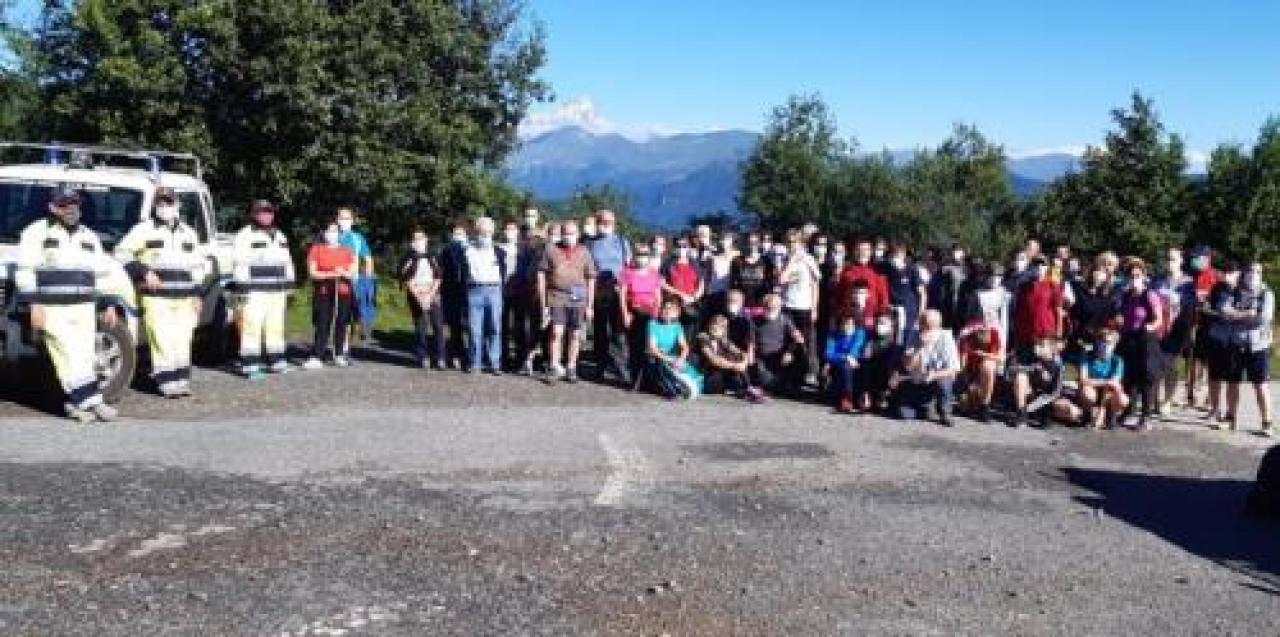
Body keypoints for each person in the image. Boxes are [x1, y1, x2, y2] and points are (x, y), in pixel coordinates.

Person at [16, 184, 120, 422]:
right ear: (52, 207)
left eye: (74, 204)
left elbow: (102, 274)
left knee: (84, 355)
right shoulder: (35, 233)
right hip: (52, 308)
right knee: (67, 354)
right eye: (64, 205)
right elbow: (25, 271)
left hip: (84, 307)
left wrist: (108, 304)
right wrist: (34, 304)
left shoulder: (89, 237)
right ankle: (80, 403)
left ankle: (89, 403)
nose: (71, 209)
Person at [115, 186, 207, 398]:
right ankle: (166, 383)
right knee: (162, 338)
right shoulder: (144, 230)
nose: (164, 207)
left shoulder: (189, 233)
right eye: (160, 203)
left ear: (178, 205)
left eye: (168, 202)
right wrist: (143, 272)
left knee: (183, 339)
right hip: (157, 298)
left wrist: (197, 294)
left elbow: (198, 267)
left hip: (185, 298)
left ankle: (182, 380)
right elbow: (121, 252)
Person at [231, 200, 295, 380]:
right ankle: (250, 365)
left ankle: (277, 361)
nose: (266, 215)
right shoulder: (245, 235)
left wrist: (289, 287)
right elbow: (239, 263)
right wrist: (242, 289)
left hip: (277, 291)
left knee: (275, 326)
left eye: (269, 212)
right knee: (252, 327)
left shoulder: (280, 235)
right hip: (254, 291)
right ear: (254, 214)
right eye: (262, 212)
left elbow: (287, 262)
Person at [1216, 260, 1274, 436]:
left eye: (1257, 271)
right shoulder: (1235, 291)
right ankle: (1230, 418)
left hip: (1257, 346)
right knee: (1232, 384)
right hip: (1236, 344)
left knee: (1260, 385)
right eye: (1250, 271)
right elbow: (1223, 310)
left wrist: (1237, 316)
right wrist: (1246, 314)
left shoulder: (1267, 294)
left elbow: (1264, 318)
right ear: (1244, 272)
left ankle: (1267, 422)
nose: (1253, 275)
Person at [537, 219, 596, 383]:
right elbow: (541, 274)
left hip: (578, 297)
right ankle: (554, 366)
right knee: (556, 332)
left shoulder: (584, 251)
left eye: (571, 233)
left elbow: (591, 278)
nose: (568, 236)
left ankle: (571, 367)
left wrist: (590, 305)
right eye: (565, 233)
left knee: (575, 334)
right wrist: (544, 302)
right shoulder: (551, 249)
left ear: (577, 234)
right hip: (557, 296)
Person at [1115, 259, 1166, 430]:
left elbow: (1159, 319)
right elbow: (1121, 315)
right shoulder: (1126, 296)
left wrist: (1150, 326)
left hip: (1146, 340)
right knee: (1130, 377)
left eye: (1137, 275)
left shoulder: (1149, 295)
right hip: (1129, 339)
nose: (1134, 278)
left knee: (1146, 379)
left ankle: (1146, 416)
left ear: (1144, 277)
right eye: (1131, 276)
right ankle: (1129, 411)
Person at [302, 222, 356, 369]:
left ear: (339, 234)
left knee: (342, 322)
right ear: (325, 233)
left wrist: (343, 272)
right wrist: (330, 274)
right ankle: (317, 355)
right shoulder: (316, 249)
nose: (332, 234)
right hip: (325, 291)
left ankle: (339, 354)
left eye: (335, 231)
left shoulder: (347, 251)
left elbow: (352, 272)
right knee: (323, 323)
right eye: (329, 231)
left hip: (343, 291)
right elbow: (312, 273)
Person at [586, 210, 632, 384]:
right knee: (599, 332)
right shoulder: (590, 243)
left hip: (618, 293)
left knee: (619, 333)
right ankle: (599, 368)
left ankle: (622, 370)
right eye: (601, 221)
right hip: (598, 293)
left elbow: (628, 266)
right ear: (596, 223)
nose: (605, 224)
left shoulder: (622, 242)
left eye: (609, 222)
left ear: (614, 223)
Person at [892, 310, 961, 426]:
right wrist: (919, 346)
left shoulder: (946, 337)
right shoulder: (914, 335)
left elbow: (954, 368)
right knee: (903, 414)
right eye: (923, 324)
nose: (925, 328)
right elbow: (908, 366)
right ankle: (927, 409)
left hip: (936, 382)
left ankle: (945, 412)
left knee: (944, 381)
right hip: (916, 382)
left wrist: (934, 375)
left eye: (929, 325)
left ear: (938, 326)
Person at [463, 216, 508, 374]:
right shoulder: (467, 250)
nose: (485, 235)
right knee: (475, 330)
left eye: (488, 232)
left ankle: (495, 363)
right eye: (482, 232)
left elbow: (504, 273)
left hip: (494, 291)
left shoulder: (500, 251)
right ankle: (475, 363)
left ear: (493, 232)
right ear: (476, 232)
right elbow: (461, 272)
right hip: (474, 291)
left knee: (495, 328)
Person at [398, 228, 445, 370]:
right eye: (416, 239)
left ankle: (440, 357)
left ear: (426, 240)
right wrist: (419, 297)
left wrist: (430, 295)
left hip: (433, 293)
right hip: (415, 293)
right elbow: (406, 279)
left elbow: (439, 276)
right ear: (412, 243)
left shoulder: (434, 256)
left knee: (438, 326)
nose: (419, 242)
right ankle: (422, 356)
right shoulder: (407, 258)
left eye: (421, 239)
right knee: (421, 327)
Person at [779, 229, 821, 381]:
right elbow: (782, 280)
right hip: (788, 305)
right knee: (790, 340)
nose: (792, 245)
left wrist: (814, 308)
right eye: (789, 242)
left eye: (795, 242)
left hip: (804, 306)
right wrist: (791, 262)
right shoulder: (785, 260)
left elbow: (815, 285)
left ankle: (808, 372)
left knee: (805, 341)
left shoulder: (809, 259)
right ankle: (791, 375)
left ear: (801, 242)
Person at [1203, 261, 1240, 423]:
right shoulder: (1217, 287)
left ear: (1238, 273)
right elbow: (1207, 307)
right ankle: (1214, 409)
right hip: (1216, 336)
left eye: (1231, 272)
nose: (1227, 275)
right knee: (1214, 376)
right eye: (1225, 272)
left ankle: (1231, 413)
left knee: (1232, 378)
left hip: (1234, 339)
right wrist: (1215, 312)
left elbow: (1245, 313)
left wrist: (1233, 314)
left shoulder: (1242, 290)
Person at [620, 244, 664, 382]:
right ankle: (635, 379)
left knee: (649, 347)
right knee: (635, 347)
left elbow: (658, 295)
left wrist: (657, 313)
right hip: (634, 312)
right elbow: (622, 295)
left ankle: (647, 379)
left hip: (650, 312)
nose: (642, 258)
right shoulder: (627, 272)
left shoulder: (654, 273)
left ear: (649, 257)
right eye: (639, 255)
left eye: (645, 255)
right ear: (634, 256)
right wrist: (625, 314)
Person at [697, 314, 764, 402]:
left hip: (722, 375)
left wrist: (743, 362)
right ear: (709, 326)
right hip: (708, 377)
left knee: (736, 357)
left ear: (723, 330)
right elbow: (715, 360)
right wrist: (735, 366)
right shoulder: (703, 338)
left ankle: (747, 388)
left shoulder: (723, 340)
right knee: (731, 361)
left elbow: (740, 352)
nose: (716, 330)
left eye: (720, 328)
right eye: (714, 327)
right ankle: (746, 389)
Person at [751, 292, 807, 397]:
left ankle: (793, 382)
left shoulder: (784, 319)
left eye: (774, 307)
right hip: (762, 358)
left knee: (801, 351)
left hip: (780, 357)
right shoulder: (755, 320)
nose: (770, 309)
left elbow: (799, 339)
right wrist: (751, 356)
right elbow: (751, 342)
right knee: (768, 383)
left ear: (779, 307)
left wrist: (789, 352)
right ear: (763, 306)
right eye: (767, 307)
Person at [645, 298, 702, 400]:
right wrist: (669, 359)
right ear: (660, 311)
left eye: (671, 310)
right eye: (665, 309)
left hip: (671, 355)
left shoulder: (677, 326)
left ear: (676, 313)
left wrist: (681, 358)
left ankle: (687, 385)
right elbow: (652, 348)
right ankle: (673, 391)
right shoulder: (652, 324)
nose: (667, 312)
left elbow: (684, 346)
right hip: (655, 354)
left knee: (691, 360)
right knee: (663, 365)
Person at [1009, 336, 1070, 428]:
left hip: (1046, 399)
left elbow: (1056, 392)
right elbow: (1011, 369)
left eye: (1041, 345)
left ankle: (1043, 416)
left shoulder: (1058, 366)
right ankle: (1022, 415)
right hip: (1030, 395)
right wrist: (1034, 369)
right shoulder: (1031, 358)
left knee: (1071, 411)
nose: (1037, 347)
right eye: (1037, 344)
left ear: (1052, 349)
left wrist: (1036, 405)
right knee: (1020, 377)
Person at [1185, 246, 1220, 409]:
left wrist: (1205, 302)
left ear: (1207, 258)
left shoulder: (1215, 276)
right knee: (1192, 360)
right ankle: (1191, 395)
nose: (1194, 261)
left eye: (1197, 258)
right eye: (1193, 258)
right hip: (1194, 323)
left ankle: (1208, 397)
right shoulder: (1193, 276)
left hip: (1211, 324)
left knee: (1208, 361)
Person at [335, 207, 375, 345]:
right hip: (333, 280)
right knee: (338, 315)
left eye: (347, 218)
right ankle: (340, 346)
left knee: (352, 315)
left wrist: (368, 280)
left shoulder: (358, 238)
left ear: (352, 221)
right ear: (337, 220)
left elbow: (368, 258)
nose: (344, 221)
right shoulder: (331, 235)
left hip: (354, 280)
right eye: (341, 218)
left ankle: (346, 347)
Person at [1077, 330, 1129, 430]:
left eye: (1109, 343)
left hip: (1107, 393)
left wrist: (1101, 411)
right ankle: (1087, 416)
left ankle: (1110, 415)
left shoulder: (1117, 360)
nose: (1105, 345)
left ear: (1114, 345)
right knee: (1087, 393)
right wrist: (1105, 382)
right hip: (1092, 390)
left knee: (1123, 399)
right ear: (1097, 343)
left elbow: (1113, 384)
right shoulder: (1086, 356)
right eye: (1102, 342)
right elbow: (1083, 379)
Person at [835, 239, 890, 331]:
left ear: (870, 252)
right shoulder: (846, 272)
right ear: (854, 252)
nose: (862, 253)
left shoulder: (877, 272)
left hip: (870, 319)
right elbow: (839, 296)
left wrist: (882, 315)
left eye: (866, 250)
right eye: (859, 250)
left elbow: (883, 297)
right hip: (849, 321)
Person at [437, 222, 471, 370]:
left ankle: (472, 355)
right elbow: (440, 270)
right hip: (451, 291)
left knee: (471, 325)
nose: (458, 236)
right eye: (455, 233)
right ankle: (457, 354)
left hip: (469, 291)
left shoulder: (471, 249)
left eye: (461, 233)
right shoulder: (445, 250)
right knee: (455, 325)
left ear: (466, 235)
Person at [956, 317, 1003, 423]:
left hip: (984, 370)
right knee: (965, 404)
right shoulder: (966, 338)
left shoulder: (994, 333)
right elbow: (962, 368)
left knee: (989, 365)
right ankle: (972, 403)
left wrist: (983, 354)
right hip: (970, 372)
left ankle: (985, 406)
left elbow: (1000, 359)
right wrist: (968, 385)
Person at [882, 243, 927, 346]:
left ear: (904, 255)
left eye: (897, 255)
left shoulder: (912, 270)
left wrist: (920, 313)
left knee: (907, 342)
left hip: (909, 312)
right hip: (892, 311)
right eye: (892, 255)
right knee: (891, 342)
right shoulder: (886, 269)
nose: (895, 258)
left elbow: (922, 293)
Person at [662, 237, 704, 340]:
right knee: (672, 333)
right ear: (674, 247)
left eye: (684, 246)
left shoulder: (694, 263)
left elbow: (701, 283)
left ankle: (686, 354)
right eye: (678, 246)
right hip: (673, 303)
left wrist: (694, 297)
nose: (681, 248)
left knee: (688, 333)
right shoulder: (668, 263)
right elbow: (662, 283)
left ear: (689, 248)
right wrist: (680, 294)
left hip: (691, 304)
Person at [859, 311, 901, 412]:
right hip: (871, 376)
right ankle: (866, 396)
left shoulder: (895, 344)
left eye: (883, 323)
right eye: (878, 323)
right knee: (866, 364)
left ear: (891, 326)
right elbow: (865, 357)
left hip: (887, 377)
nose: (879, 326)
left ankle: (884, 397)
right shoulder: (871, 340)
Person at [826, 313, 867, 413]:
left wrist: (850, 357)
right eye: (844, 324)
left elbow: (856, 349)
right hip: (839, 365)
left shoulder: (859, 333)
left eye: (850, 324)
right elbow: (828, 354)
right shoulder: (833, 335)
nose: (847, 327)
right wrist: (845, 357)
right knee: (845, 366)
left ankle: (862, 397)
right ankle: (847, 398)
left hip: (857, 362)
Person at [499, 219, 522, 370]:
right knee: (503, 325)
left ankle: (520, 358)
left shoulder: (523, 248)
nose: (510, 232)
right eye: (507, 229)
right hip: (502, 291)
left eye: (513, 229)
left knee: (519, 326)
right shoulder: (498, 248)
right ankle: (504, 357)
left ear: (518, 231)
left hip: (520, 291)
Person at [729, 238, 775, 312]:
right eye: (750, 243)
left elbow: (770, 282)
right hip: (741, 303)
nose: (752, 246)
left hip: (761, 302)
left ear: (759, 244)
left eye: (755, 242)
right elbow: (732, 283)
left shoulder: (766, 261)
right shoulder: (737, 261)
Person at [934, 244, 968, 331]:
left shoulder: (967, 267)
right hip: (949, 304)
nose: (956, 254)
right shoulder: (946, 268)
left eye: (958, 251)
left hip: (963, 304)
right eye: (954, 251)